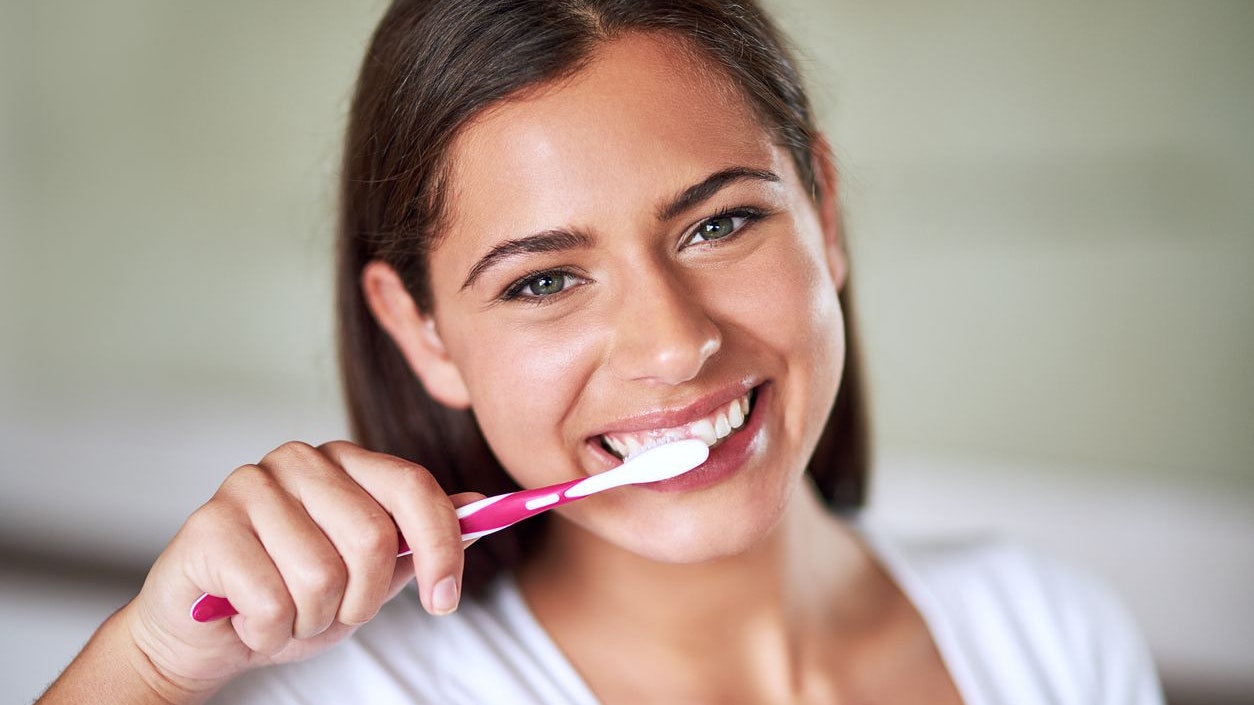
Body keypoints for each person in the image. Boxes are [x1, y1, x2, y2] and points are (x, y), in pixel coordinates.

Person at [38, 1, 1164, 703]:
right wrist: (144, 669)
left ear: (824, 211)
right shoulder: (352, 692)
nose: (676, 345)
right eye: (542, 280)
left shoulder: (1051, 634)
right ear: (419, 331)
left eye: (720, 224)